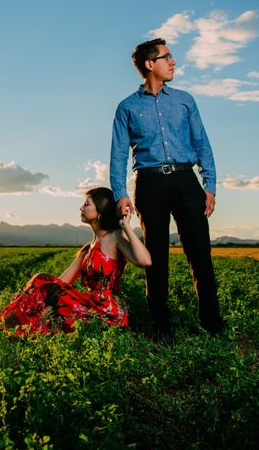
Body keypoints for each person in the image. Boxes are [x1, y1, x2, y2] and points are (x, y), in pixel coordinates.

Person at [109, 38, 225, 345]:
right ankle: (162, 325)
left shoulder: (185, 101)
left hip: (187, 182)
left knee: (200, 252)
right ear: (150, 64)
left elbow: (202, 144)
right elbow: (119, 155)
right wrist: (120, 193)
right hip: (149, 184)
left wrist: (209, 184)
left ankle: (212, 322)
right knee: (156, 256)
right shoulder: (127, 108)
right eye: (167, 57)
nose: (173, 62)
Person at [0, 187, 151, 335]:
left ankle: (13, 328)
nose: (81, 208)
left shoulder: (115, 237)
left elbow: (145, 261)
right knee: (41, 279)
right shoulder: (88, 248)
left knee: (45, 295)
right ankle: (7, 326)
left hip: (107, 312)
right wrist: (30, 295)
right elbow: (61, 282)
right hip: (86, 304)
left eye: (87, 204)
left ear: (100, 211)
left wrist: (126, 227)